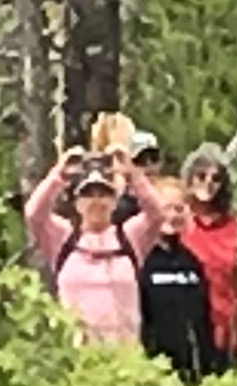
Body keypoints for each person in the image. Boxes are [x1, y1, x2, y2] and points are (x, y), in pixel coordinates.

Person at [23, 146, 150, 347]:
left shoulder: (129, 236)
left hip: (124, 353)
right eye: (88, 195)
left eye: (104, 194)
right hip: (78, 353)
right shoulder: (63, 237)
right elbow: (33, 214)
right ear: (77, 203)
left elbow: (157, 214)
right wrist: (58, 174)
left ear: (115, 201)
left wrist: (133, 174)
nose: (96, 201)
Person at [174, 147, 237, 374]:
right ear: (189, 179)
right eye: (201, 176)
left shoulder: (232, 226)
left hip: (224, 326)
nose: (208, 183)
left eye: (216, 178)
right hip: (187, 324)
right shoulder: (179, 221)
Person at [135, 180, 218, 383]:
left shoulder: (191, 261)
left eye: (178, 209)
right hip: (155, 370)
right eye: (165, 208)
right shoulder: (140, 259)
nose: (172, 215)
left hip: (195, 369)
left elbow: (204, 318)